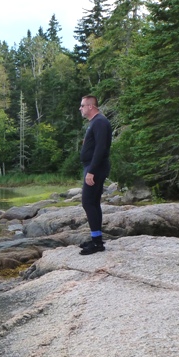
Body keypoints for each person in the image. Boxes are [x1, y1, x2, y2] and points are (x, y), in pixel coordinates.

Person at [79, 95, 112, 255]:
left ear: (91, 106)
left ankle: (97, 243)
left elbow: (101, 148)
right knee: (93, 202)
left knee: (88, 202)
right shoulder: (95, 122)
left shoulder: (99, 122)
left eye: (82, 105)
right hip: (93, 167)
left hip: (96, 168)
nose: (81, 108)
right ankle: (96, 239)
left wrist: (91, 171)